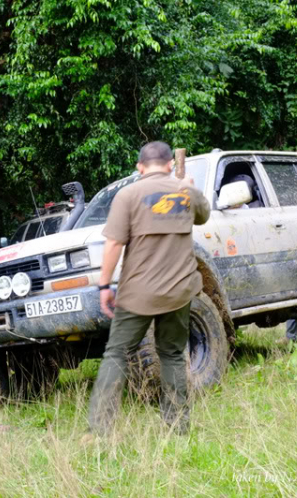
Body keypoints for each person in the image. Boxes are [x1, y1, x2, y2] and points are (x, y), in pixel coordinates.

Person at [87, 141, 211, 436]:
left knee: (116, 353)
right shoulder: (186, 191)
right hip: (180, 290)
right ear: (170, 164)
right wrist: (189, 187)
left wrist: (104, 285)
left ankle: (100, 429)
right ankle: (177, 427)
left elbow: (114, 243)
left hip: (138, 293)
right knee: (171, 354)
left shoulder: (128, 194)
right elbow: (203, 216)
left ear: (140, 167)